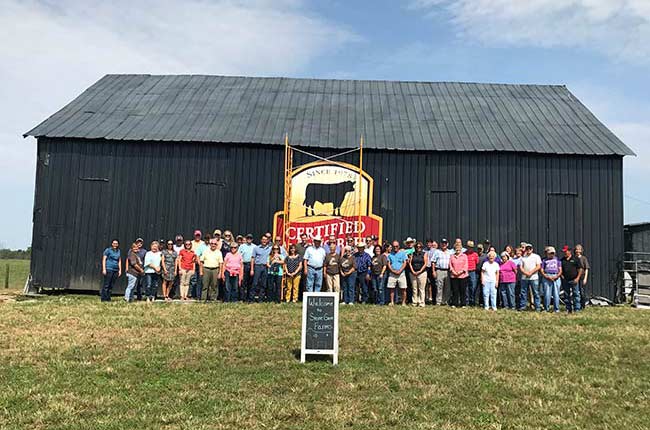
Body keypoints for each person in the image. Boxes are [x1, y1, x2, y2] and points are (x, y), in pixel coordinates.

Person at [561, 245, 584, 313]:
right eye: (564, 252)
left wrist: (577, 278)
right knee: (566, 295)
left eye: (566, 251)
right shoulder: (562, 260)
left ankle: (577, 308)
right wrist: (562, 276)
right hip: (565, 280)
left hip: (574, 279)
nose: (565, 253)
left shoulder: (575, 259)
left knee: (576, 294)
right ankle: (568, 308)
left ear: (569, 251)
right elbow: (560, 269)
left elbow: (580, 269)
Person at [518, 243, 541, 311]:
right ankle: (523, 307)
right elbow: (521, 267)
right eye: (527, 249)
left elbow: (538, 266)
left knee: (536, 293)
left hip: (534, 278)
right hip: (524, 278)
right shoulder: (523, 258)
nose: (528, 250)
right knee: (523, 292)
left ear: (532, 249)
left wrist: (531, 272)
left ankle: (537, 307)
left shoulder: (536, 256)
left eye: (530, 248)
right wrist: (526, 273)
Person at [250, 235, 272, 302]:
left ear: (268, 240)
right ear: (261, 240)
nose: (264, 241)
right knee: (255, 283)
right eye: (263, 239)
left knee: (263, 283)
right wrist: (252, 269)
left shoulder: (270, 248)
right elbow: (252, 258)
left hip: (265, 267)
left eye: (266, 239)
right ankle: (252, 298)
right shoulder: (256, 248)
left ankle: (261, 298)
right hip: (258, 266)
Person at [540, 246, 562, 313]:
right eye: (550, 253)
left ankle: (556, 309)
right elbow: (541, 270)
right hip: (547, 276)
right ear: (546, 253)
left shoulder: (558, 260)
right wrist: (546, 276)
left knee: (556, 294)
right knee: (547, 294)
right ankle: (546, 308)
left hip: (556, 277)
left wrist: (557, 276)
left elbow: (560, 270)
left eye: (553, 253)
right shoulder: (544, 260)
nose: (552, 254)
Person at [387, 240, 408, 305]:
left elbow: (405, 263)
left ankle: (403, 302)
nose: (395, 247)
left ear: (399, 246)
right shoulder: (390, 255)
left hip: (401, 273)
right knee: (391, 289)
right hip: (392, 274)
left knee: (403, 288)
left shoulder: (403, 253)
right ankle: (392, 302)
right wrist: (392, 271)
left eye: (396, 246)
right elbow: (388, 264)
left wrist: (400, 270)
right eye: (394, 246)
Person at [432, 238, 453, 305]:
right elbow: (433, 262)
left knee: (447, 287)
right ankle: (438, 301)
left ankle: (445, 301)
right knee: (439, 286)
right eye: (442, 243)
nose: (444, 244)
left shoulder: (450, 252)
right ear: (440, 244)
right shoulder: (437, 252)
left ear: (447, 244)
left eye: (445, 243)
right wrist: (433, 271)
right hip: (439, 270)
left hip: (448, 271)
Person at [408, 241, 428, 307]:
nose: (418, 248)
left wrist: (420, 271)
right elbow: (410, 263)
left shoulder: (424, 254)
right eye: (417, 247)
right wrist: (413, 271)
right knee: (414, 288)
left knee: (421, 288)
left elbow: (425, 263)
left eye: (420, 247)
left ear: (421, 247)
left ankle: (421, 302)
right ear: (415, 247)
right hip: (413, 272)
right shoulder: (412, 254)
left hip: (422, 273)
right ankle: (414, 302)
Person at [449, 243, 469, 307]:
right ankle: (455, 303)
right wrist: (453, 271)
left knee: (462, 290)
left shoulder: (464, 256)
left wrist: (460, 272)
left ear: (461, 250)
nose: (457, 251)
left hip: (463, 276)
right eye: (456, 250)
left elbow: (466, 265)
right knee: (455, 290)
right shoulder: (452, 256)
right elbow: (450, 265)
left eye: (459, 250)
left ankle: (463, 304)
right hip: (454, 276)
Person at [238, 234, 256, 302]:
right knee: (243, 282)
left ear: (252, 239)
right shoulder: (242, 246)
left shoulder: (255, 247)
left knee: (250, 283)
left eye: (250, 238)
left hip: (251, 265)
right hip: (244, 265)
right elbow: (239, 255)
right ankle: (242, 298)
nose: (249, 239)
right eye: (248, 238)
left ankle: (249, 298)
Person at [190, 230, 207, 299]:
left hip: (202, 264)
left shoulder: (203, 243)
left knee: (201, 280)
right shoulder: (191, 243)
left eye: (198, 235)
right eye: (196, 235)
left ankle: (199, 295)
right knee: (193, 280)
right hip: (193, 263)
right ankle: (193, 295)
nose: (197, 237)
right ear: (194, 235)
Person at [464, 240, 479, 306]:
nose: (470, 248)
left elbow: (477, 262)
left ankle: (472, 301)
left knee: (473, 287)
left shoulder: (475, 254)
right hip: (466, 272)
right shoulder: (464, 254)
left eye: (471, 247)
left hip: (473, 272)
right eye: (469, 247)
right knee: (466, 287)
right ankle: (467, 301)